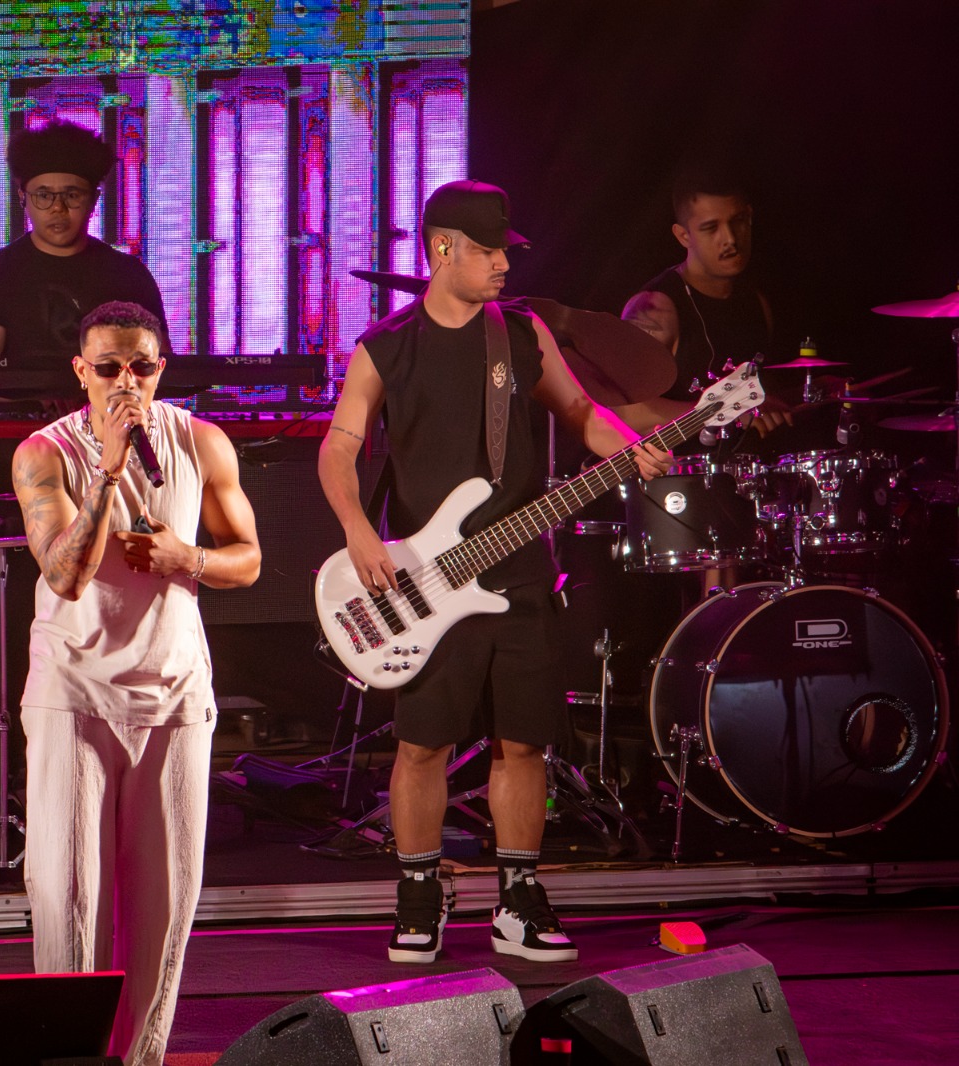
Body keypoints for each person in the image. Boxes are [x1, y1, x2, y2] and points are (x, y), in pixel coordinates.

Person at [317, 181, 667, 965]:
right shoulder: (386, 346)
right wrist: (358, 532)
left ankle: (518, 898)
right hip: (425, 580)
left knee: (523, 743)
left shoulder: (520, 333)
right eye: (487, 250)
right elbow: (339, 446)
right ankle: (418, 893)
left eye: (507, 249)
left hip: (520, 573)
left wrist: (627, 446)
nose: (504, 263)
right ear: (442, 250)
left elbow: (581, 413)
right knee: (422, 746)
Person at [10, 300, 259, 1065]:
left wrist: (190, 559)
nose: (127, 381)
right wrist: (110, 468)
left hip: (174, 694)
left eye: (142, 367)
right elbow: (66, 573)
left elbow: (248, 558)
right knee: (70, 901)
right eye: (109, 367)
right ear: (81, 372)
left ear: (160, 369)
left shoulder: (201, 441)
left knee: (165, 910)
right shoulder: (44, 453)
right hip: (76, 695)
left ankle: (143, 1059)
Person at [0, 120, 170, 365]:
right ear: (23, 197)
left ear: (94, 200)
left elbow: (158, 362)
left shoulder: (129, 275)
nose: (58, 208)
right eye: (44, 195)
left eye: (72, 195)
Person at [616, 171, 786, 437]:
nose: (730, 239)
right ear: (683, 235)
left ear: (750, 217)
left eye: (738, 221)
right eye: (710, 228)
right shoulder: (656, 308)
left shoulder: (757, 302)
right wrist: (724, 413)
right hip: (678, 463)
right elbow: (626, 412)